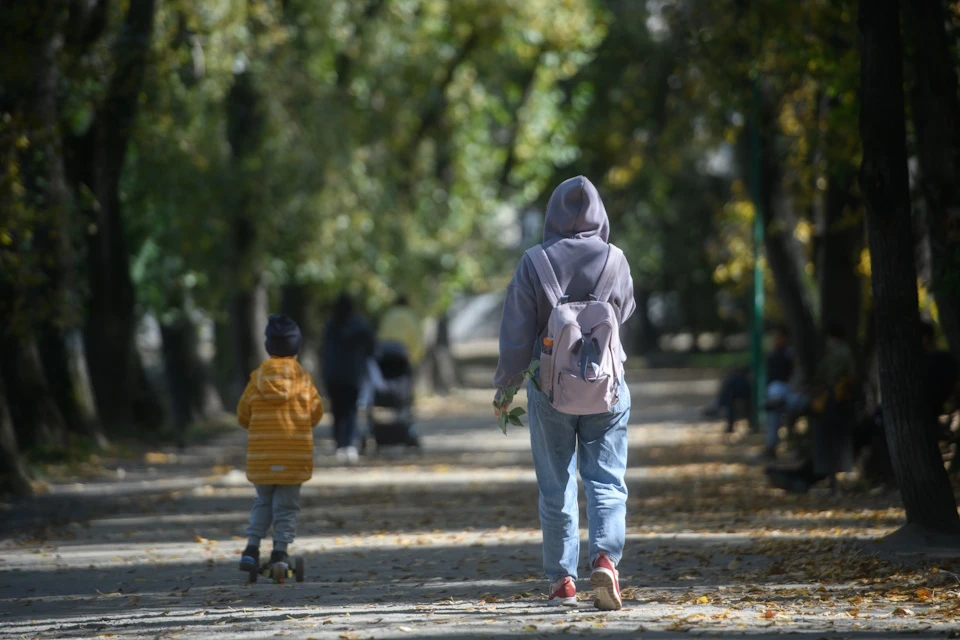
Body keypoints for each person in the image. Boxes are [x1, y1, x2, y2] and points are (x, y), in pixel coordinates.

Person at [494, 176, 635, 611]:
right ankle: (607, 560)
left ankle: (562, 581)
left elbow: (516, 331)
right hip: (606, 387)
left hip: (550, 387)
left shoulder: (534, 261)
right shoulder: (616, 259)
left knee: (556, 483)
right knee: (607, 479)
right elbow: (625, 309)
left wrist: (506, 386)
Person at [236, 314, 323, 575]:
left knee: (262, 501)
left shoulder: (257, 378)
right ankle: (280, 554)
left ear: (268, 346)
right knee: (285, 508)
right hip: (293, 458)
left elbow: (242, 415)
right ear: (297, 347)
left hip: (262, 458)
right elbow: (316, 413)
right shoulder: (303, 379)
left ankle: (251, 549)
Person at [322, 292, 375, 464]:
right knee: (351, 410)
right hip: (353, 374)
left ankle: (340, 443)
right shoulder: (360, 325)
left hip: (333, 374)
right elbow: (371, 348)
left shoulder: (331, 325)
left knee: (337, 411)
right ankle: (350, 444)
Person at [378, 294, 425, 367]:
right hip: (402, 354)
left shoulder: (389, 314)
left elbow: (381, 334)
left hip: (385, 352)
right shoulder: (411, 316)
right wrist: (415, 358)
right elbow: (416, 338)